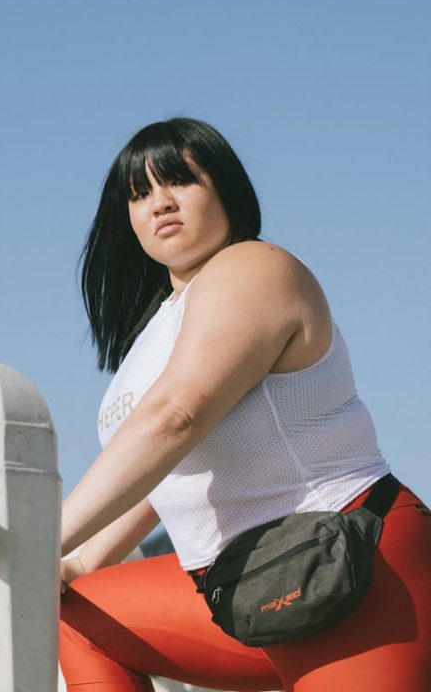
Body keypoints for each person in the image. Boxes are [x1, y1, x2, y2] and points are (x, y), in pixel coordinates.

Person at [59, 118, 431, 692]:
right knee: (79, 615)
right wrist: (80, 562)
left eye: (180, 181)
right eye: (139, 194)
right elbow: (172, 472)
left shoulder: (253, 268)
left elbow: (176, 419)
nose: (159, 204)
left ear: (226, 190)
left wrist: (42, 538)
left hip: (345, 557)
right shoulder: (155, 332)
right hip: (242, 585)